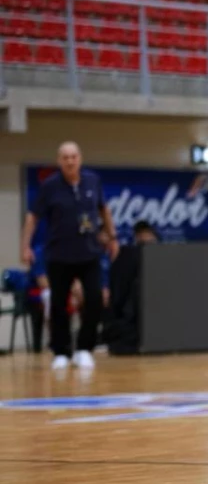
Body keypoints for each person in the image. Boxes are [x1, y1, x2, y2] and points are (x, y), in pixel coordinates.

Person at [20, 142, 118, 369]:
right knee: (58, 303)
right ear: (59, 161)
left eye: (73, 157)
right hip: (59, 254)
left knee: (94, 299)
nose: (70, 161)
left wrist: (112, 237)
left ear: (80, 159)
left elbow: (104, 209)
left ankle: (84, 349)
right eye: (65, 157)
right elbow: (32, 217)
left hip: (89, 253)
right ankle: (61, 352)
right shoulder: (49, 186)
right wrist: (25, 246)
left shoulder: (93, 181)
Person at [103, 220, 158, 355]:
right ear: (136, 236)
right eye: (142, 234)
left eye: (148, 234)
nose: (146, 238)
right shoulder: (125, 256)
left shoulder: (160, 256)